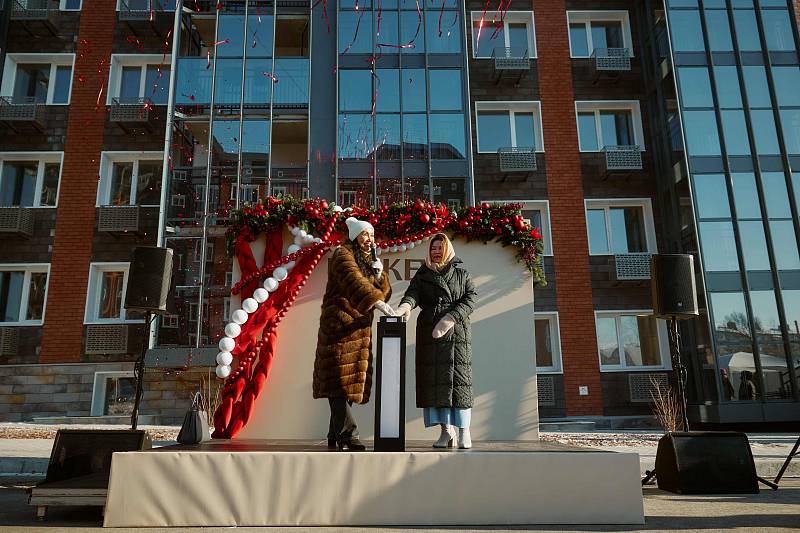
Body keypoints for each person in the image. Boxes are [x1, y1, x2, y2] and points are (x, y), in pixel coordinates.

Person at [312, 217, 394, 451]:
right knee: (338, 382)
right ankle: (348, 435)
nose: (369, 239)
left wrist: (380, 276)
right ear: (355, 236)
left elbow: (383, 293)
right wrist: (377, 301)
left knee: (347, 385)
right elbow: (353, 281)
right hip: (338, 328)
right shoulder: (342, 254)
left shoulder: (369, 260)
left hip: (358, 329)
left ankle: (334, 433)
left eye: (372, 235)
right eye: (365, 234)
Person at [395, 233, 476, 449]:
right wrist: (405, 307)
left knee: (459, 383)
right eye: (433, 248)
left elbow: (471, 298)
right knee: (434, 385)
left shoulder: (461, 274)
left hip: (456, 334)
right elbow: (412, 294)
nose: (436, 252)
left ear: (447, 249)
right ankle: (446, 431)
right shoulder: (422, 274)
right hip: (429, 332)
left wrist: (450, 318)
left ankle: (464, 431)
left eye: (440, 247)